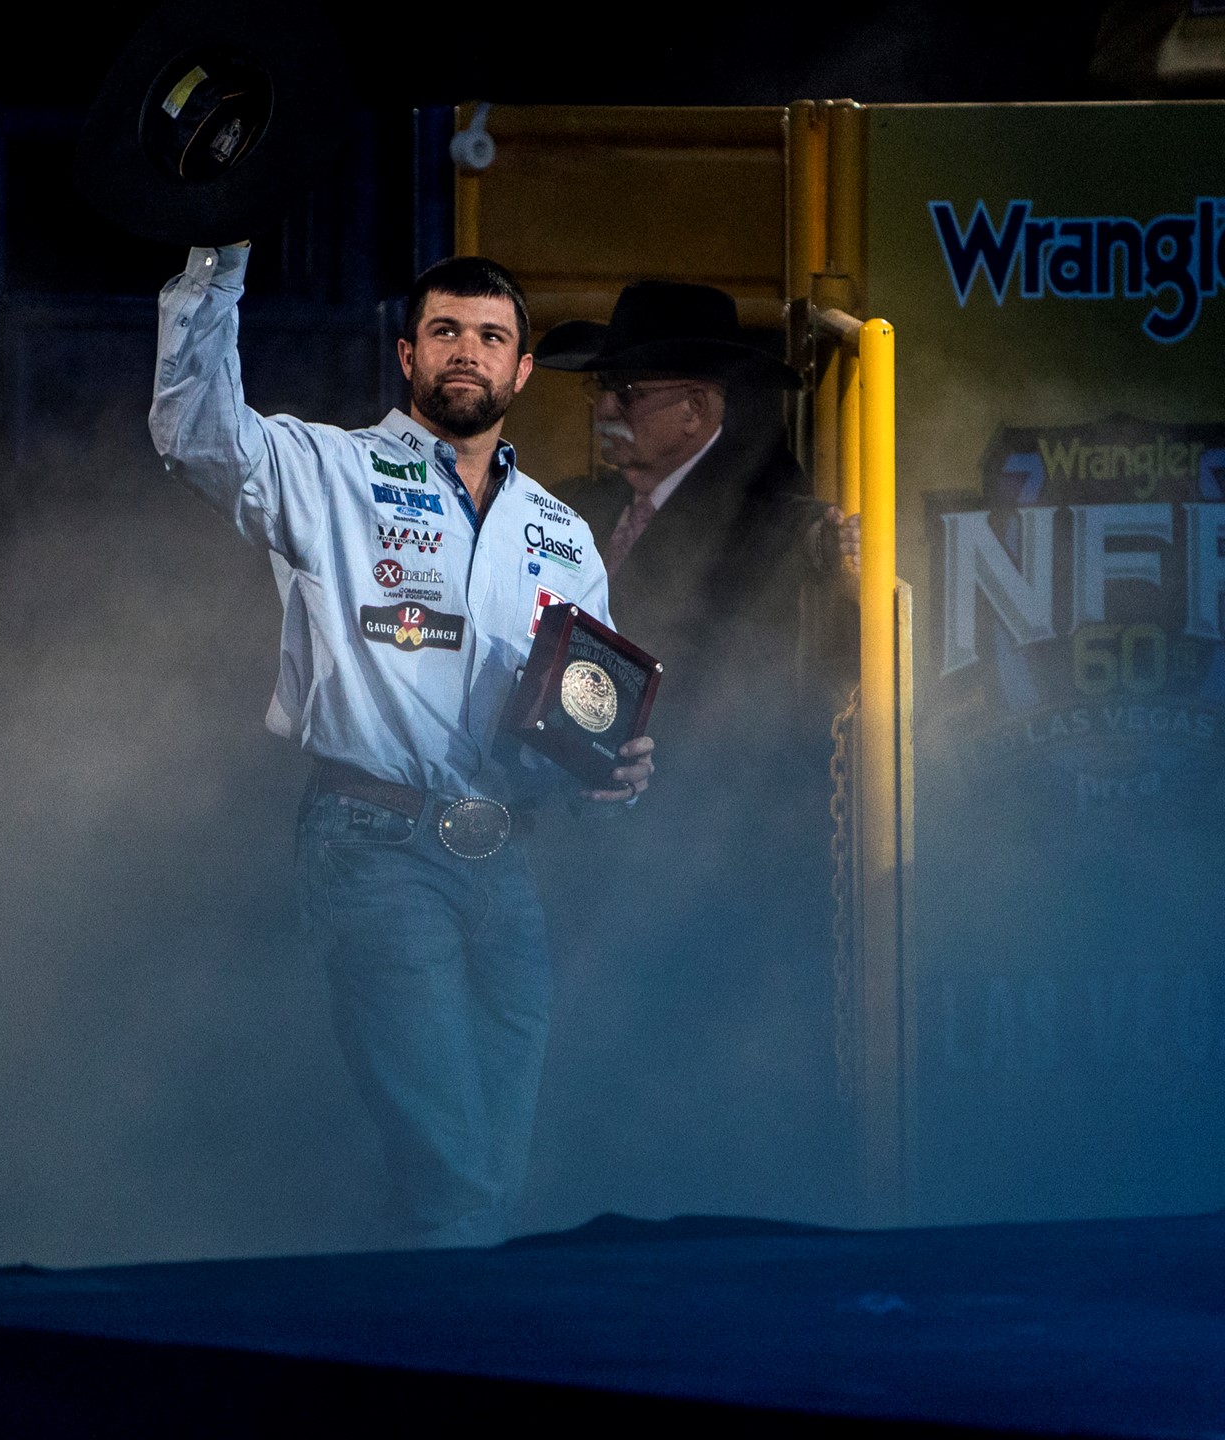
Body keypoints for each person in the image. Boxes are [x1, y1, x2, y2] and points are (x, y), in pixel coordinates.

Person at [150, 244, 654, 1247]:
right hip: (372, 843)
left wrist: (613, 773)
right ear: (407, 355)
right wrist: (220, 260)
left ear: (520, 373)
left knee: (491, 1169)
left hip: (502, 859)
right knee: (457, 1168)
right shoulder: (330, 470)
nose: (468, 351)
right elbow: (197, 434)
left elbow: (581, 720)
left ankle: (421, 1345)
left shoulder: (560, 533)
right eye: (446, 332)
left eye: (492, 337)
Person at [532, 281, 858, 1214]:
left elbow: (774, 708)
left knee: (697, 1093)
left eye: (626, 392)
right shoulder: (582, 511)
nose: (603, 409)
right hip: (610, 858)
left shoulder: (781, 526)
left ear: (697, 408)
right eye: (603, 390)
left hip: (719, 863)